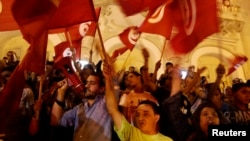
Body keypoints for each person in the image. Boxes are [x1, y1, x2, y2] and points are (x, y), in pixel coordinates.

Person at [102, 61, 173, 141]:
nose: (140, 118)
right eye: (137, 114)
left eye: (146, 114)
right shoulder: (130, 133)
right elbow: (113, 110)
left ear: (156, 118)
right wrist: (107, 79)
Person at [50, 72, 112, 141]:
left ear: (102, 89)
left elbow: (113, 91)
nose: (87, 86)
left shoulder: (105, 103)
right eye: (86, 82)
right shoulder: (79, 108)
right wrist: (61, 93)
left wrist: (108, 77)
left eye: (92, 83)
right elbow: (56, 121)